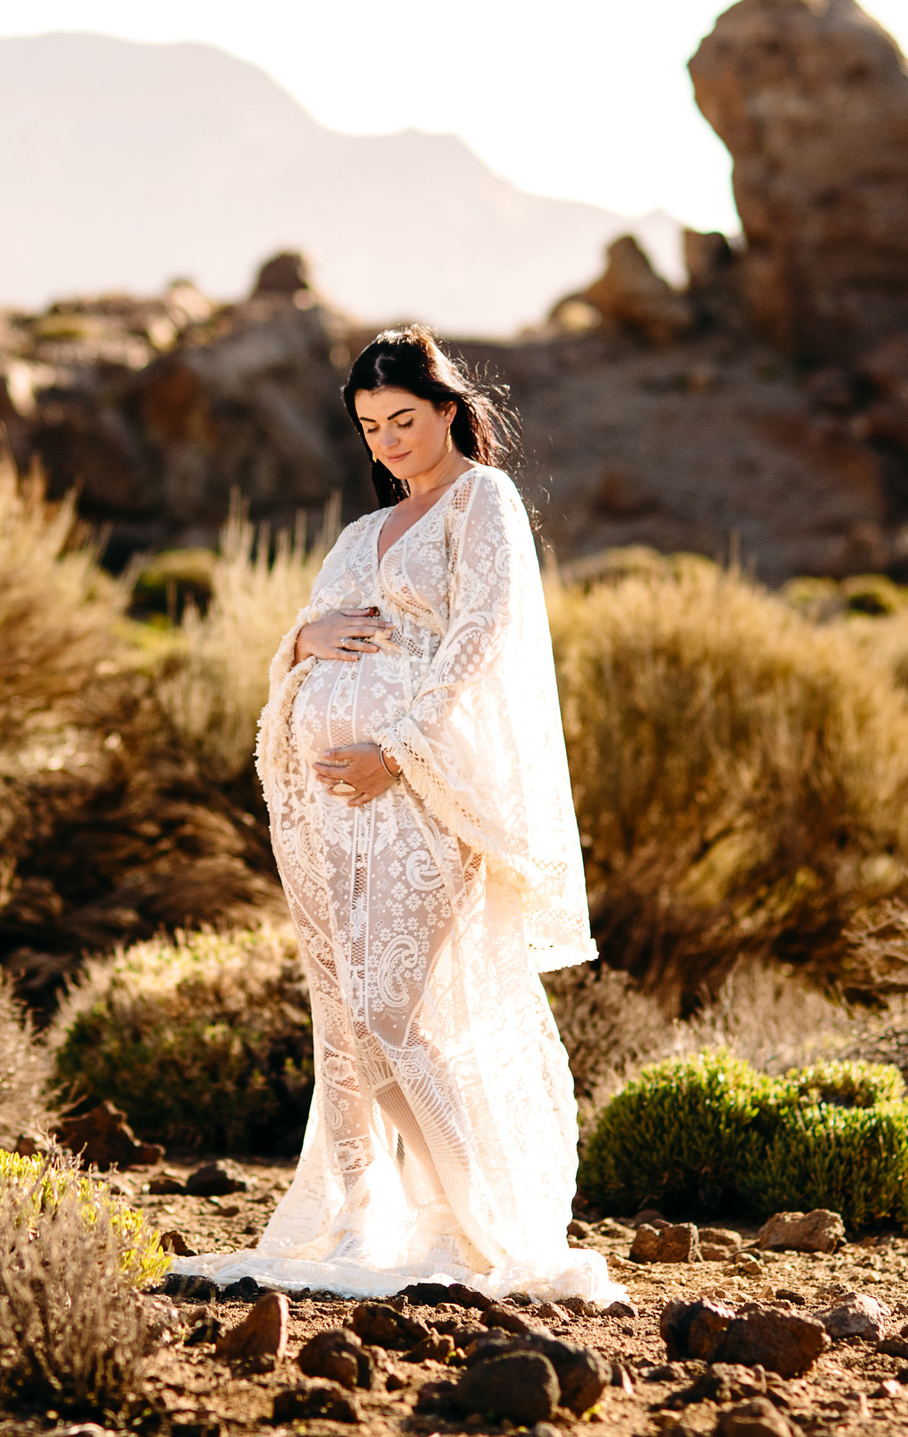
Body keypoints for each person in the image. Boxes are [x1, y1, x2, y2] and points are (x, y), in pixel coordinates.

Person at [169, 326, 622, 1303]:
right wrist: (302, 638)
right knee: (347, 1017)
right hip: (331, 816)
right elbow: (298, 649)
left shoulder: (479, 502)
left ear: (449, 410)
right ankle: (397, 1219)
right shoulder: (353, 536)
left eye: (404, 420)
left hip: (423, 790)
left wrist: (395, 750)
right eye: (371, 427)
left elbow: (479, 636)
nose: (389, 442)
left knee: (391, 1006)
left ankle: (479, 1233)